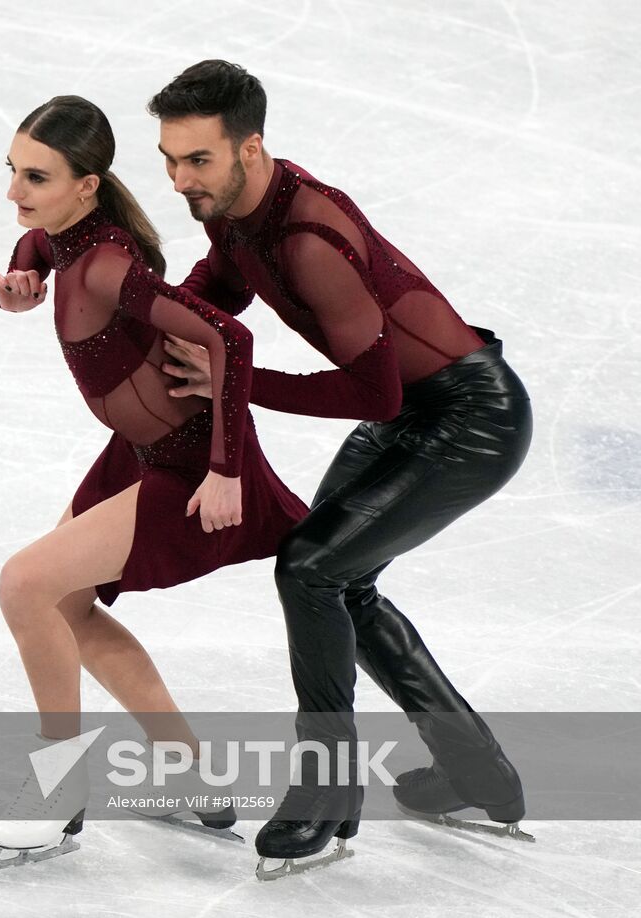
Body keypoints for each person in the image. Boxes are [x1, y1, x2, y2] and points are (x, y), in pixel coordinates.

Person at [145, 60, 534, 878]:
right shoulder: (237, 211)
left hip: (471, 419)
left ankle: (326, 789)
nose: (180, 180)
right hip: (411, 412)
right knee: (338, 581)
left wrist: (231, 379)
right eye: (170, 160)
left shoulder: (309, 239)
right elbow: (219, 285)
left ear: (250, 148)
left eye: (198, 160)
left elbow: (371, 391)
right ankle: (475, 773)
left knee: (312, 570)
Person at [0, 95, 308, 868]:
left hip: (194, 468)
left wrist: (227, 471)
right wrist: (25, 272)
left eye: (36, 177)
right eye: (13, 170)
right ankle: (195, 777)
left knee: (26, 586)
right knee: (63, 606)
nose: (15, 191)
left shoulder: (107, 265)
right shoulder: (66, 233)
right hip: (138, 451)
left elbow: (229, 336)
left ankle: (58, 789)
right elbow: (37, 238)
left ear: (87, 186)